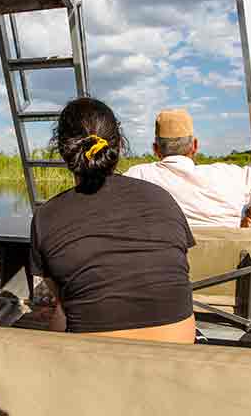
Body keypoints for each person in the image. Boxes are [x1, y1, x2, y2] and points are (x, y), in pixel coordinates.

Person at [31, 98, 196, 344]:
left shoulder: (46, 216)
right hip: (179, 356)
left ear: (64, 151)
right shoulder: (163, 199)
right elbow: (178, 271)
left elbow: (63, 298)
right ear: (118, 146)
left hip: (95, 360)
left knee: (60, 315)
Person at [124, 109, 251, 228]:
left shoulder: (137, 176)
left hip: (164, 268)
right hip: (227, 269)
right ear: (195, 146)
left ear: (155, 149)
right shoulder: (228, 176)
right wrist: (250, 215)